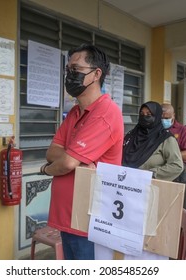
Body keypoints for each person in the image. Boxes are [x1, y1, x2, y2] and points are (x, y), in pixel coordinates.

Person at [39, 44, 124, 260]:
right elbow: (53, 152)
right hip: (68, 216)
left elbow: (66, 163)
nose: (69, 75)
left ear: (96, 74)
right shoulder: (76, 112)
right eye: (68, 70)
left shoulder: (105, 112)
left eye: (76, 69)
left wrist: (48, 169)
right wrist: (76, 160)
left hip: (89, 221)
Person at [122, 101, 183, 181]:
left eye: (149, 114)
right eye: (142, 114)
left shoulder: (165, 138)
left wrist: (151, 174)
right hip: (125, 182)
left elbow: (177, 166)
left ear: (157, 116)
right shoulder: (132, 135)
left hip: (150, 186)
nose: (144, 117)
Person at [161, 103, 186, 211]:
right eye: (161, 118)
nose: (163, 120)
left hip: (177, 173)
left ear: (173, 116)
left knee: (178, 208)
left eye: (166, 118)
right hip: (160, 173)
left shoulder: (183, 130)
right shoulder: (154, 130)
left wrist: (167, 155)